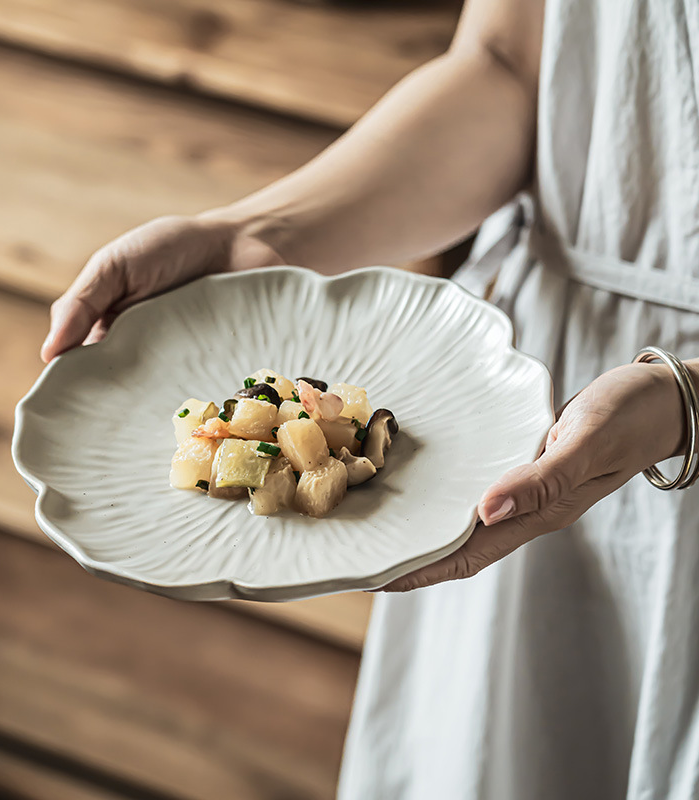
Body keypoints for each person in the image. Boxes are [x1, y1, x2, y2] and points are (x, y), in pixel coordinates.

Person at [41, 0, 699, 796]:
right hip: (532, 387)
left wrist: (686, 398)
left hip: (649, 406)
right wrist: (253, 236)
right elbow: (510, 67)